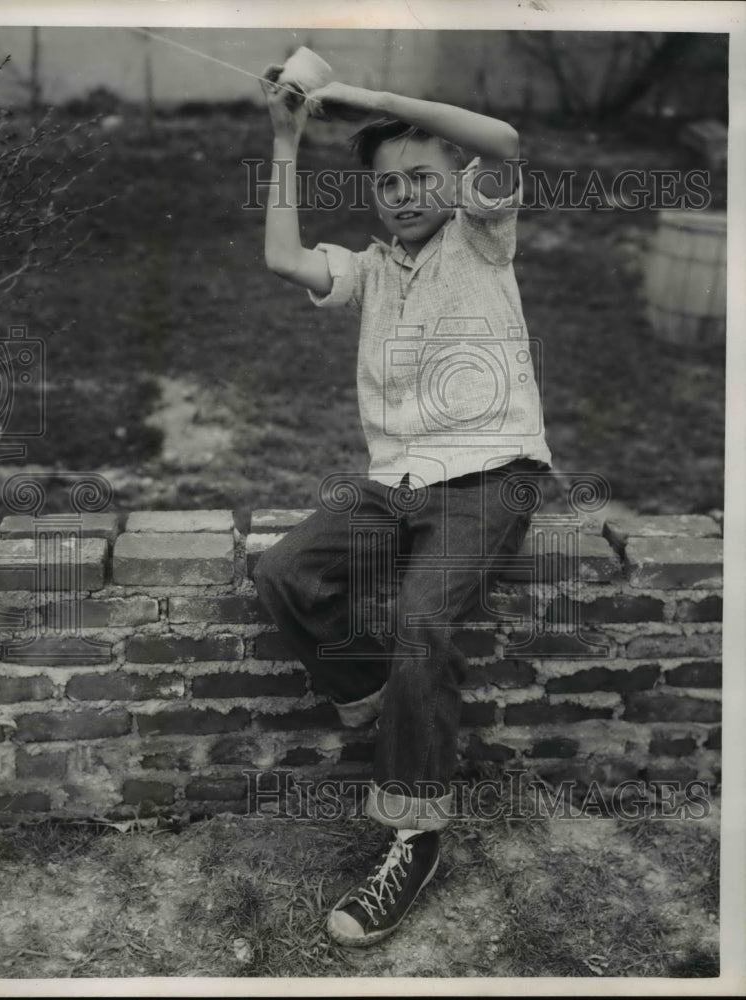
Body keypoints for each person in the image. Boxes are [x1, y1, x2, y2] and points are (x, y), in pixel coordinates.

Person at [252, 66, 552, 947]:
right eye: (388, 182)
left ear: (455, 181)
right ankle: (370, 694)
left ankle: (413, 835)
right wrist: (286, 134)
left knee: (424, 619)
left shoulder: (484, 233)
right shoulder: (370, 270)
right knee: (283, 571)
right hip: (397, 482)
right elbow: (279, 257)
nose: (405, 194)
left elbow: (503, 140)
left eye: (424, 175)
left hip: (493, 472)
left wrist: (366, 98)